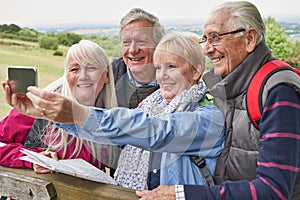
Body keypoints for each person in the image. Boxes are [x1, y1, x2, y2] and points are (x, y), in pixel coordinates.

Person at [3, 31, 225, 190]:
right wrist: (46, 116)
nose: (162, 76)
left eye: (172, 67)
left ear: (196, 72)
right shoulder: (150, 108)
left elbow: (156, 132)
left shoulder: (208, 117)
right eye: (158, 67)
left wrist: (77, 115)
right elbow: (127, 127)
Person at [136, 1, 300, 199]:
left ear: (249, 38)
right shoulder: (227, 85)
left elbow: (273, 191)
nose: (206, 49)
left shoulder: (278, 91)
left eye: (215, 38)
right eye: (204, 39)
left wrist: (182, 194)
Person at [0, 39, 120, 175]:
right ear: (66, 75)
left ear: (106, 76)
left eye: (91, 68)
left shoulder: (112, 119)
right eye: (74, 69)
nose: (83, 76)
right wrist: (34, 159)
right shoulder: (39, 107)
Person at [112, 8, 165, 108]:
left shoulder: (175, 76)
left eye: (141, 41)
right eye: (126, 42)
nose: (132, 50)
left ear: (158, 45)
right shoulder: (108, 75)